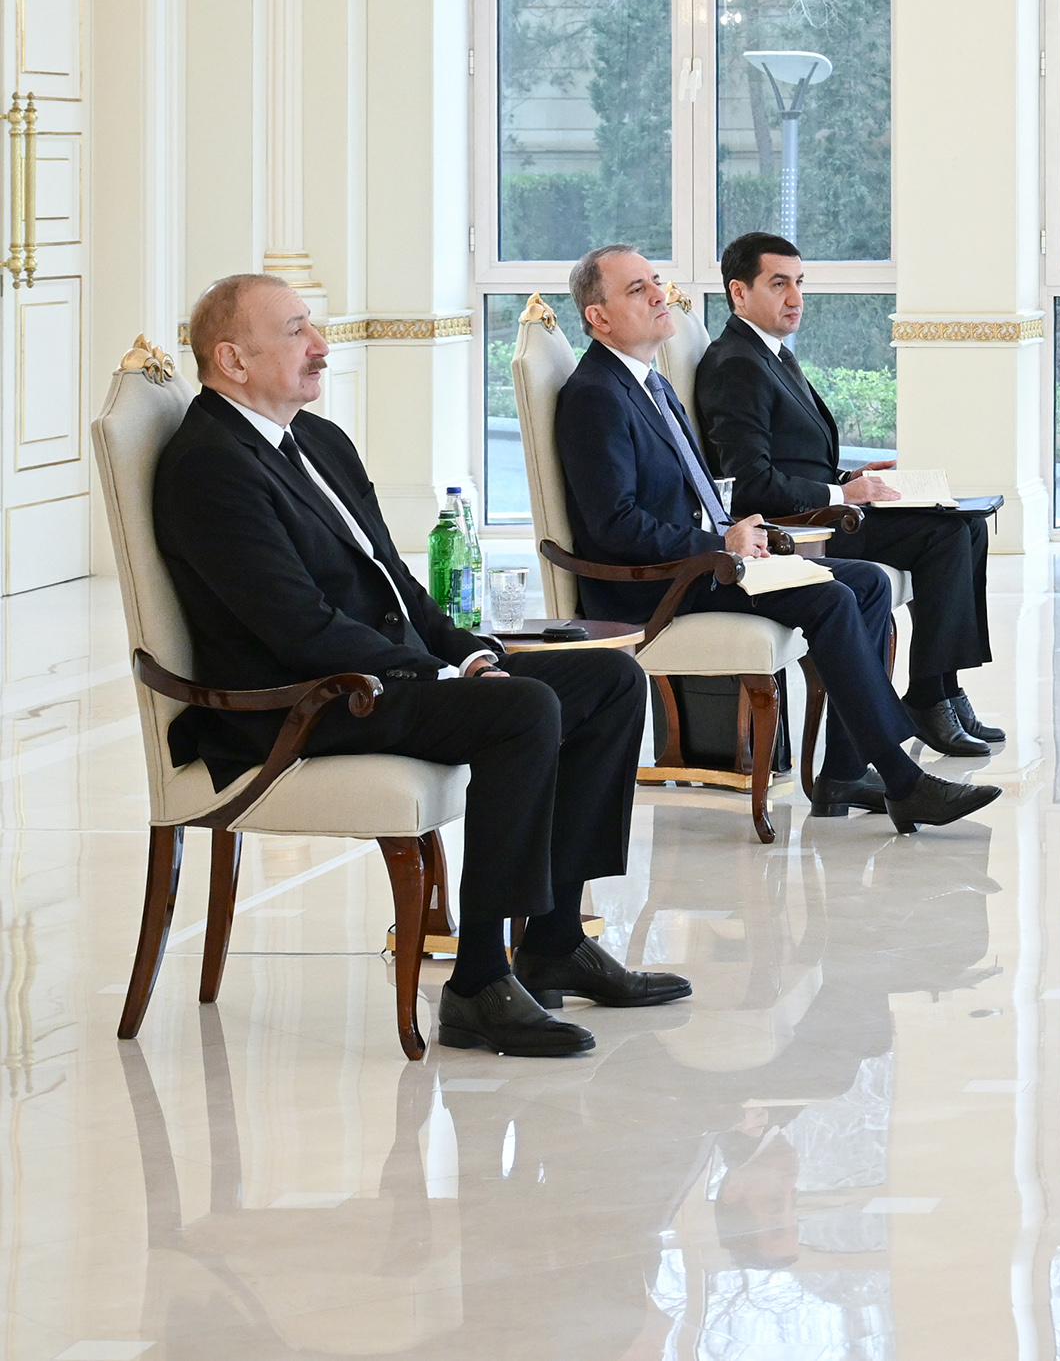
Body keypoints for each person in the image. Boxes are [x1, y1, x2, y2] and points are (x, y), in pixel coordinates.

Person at [152, 272, 689, 1056]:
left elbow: (396, 585)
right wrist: (439, 675)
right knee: (521, 709)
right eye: (298, 331)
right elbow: (299, 630)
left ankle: (553, 941)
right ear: (233, 359)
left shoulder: (319, 441)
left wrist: (469, 652)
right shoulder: (209, 465)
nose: (322, 346)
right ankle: (477, 984)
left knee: (608, 681)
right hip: (297, 702)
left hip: (371, 676)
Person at [553, 244, 999, 835]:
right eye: (638, 289)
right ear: (599, 317)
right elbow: (615, 526)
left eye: (655, 281)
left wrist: (737, 533)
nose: (661, 295)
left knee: (866, 583)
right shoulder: (595, 394)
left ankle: (844, 772)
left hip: (704, 560)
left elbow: (701, 491)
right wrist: (718, 546)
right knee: (832, 597)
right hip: (655, 586)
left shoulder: (648, 384)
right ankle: (904, 780)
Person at [695, 231, 1000, 759]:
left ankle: (944, 688)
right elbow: (748, 482)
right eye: (779, 284)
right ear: (738, 292)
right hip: (797, 529)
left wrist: (850, 476)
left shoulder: (769, 354)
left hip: (824, 509)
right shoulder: (736, 364)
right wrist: (841, 491)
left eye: (799, 283)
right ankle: (929, 698)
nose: (796, 298)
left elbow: (790, 458)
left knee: (967, 525)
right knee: (947, 535)